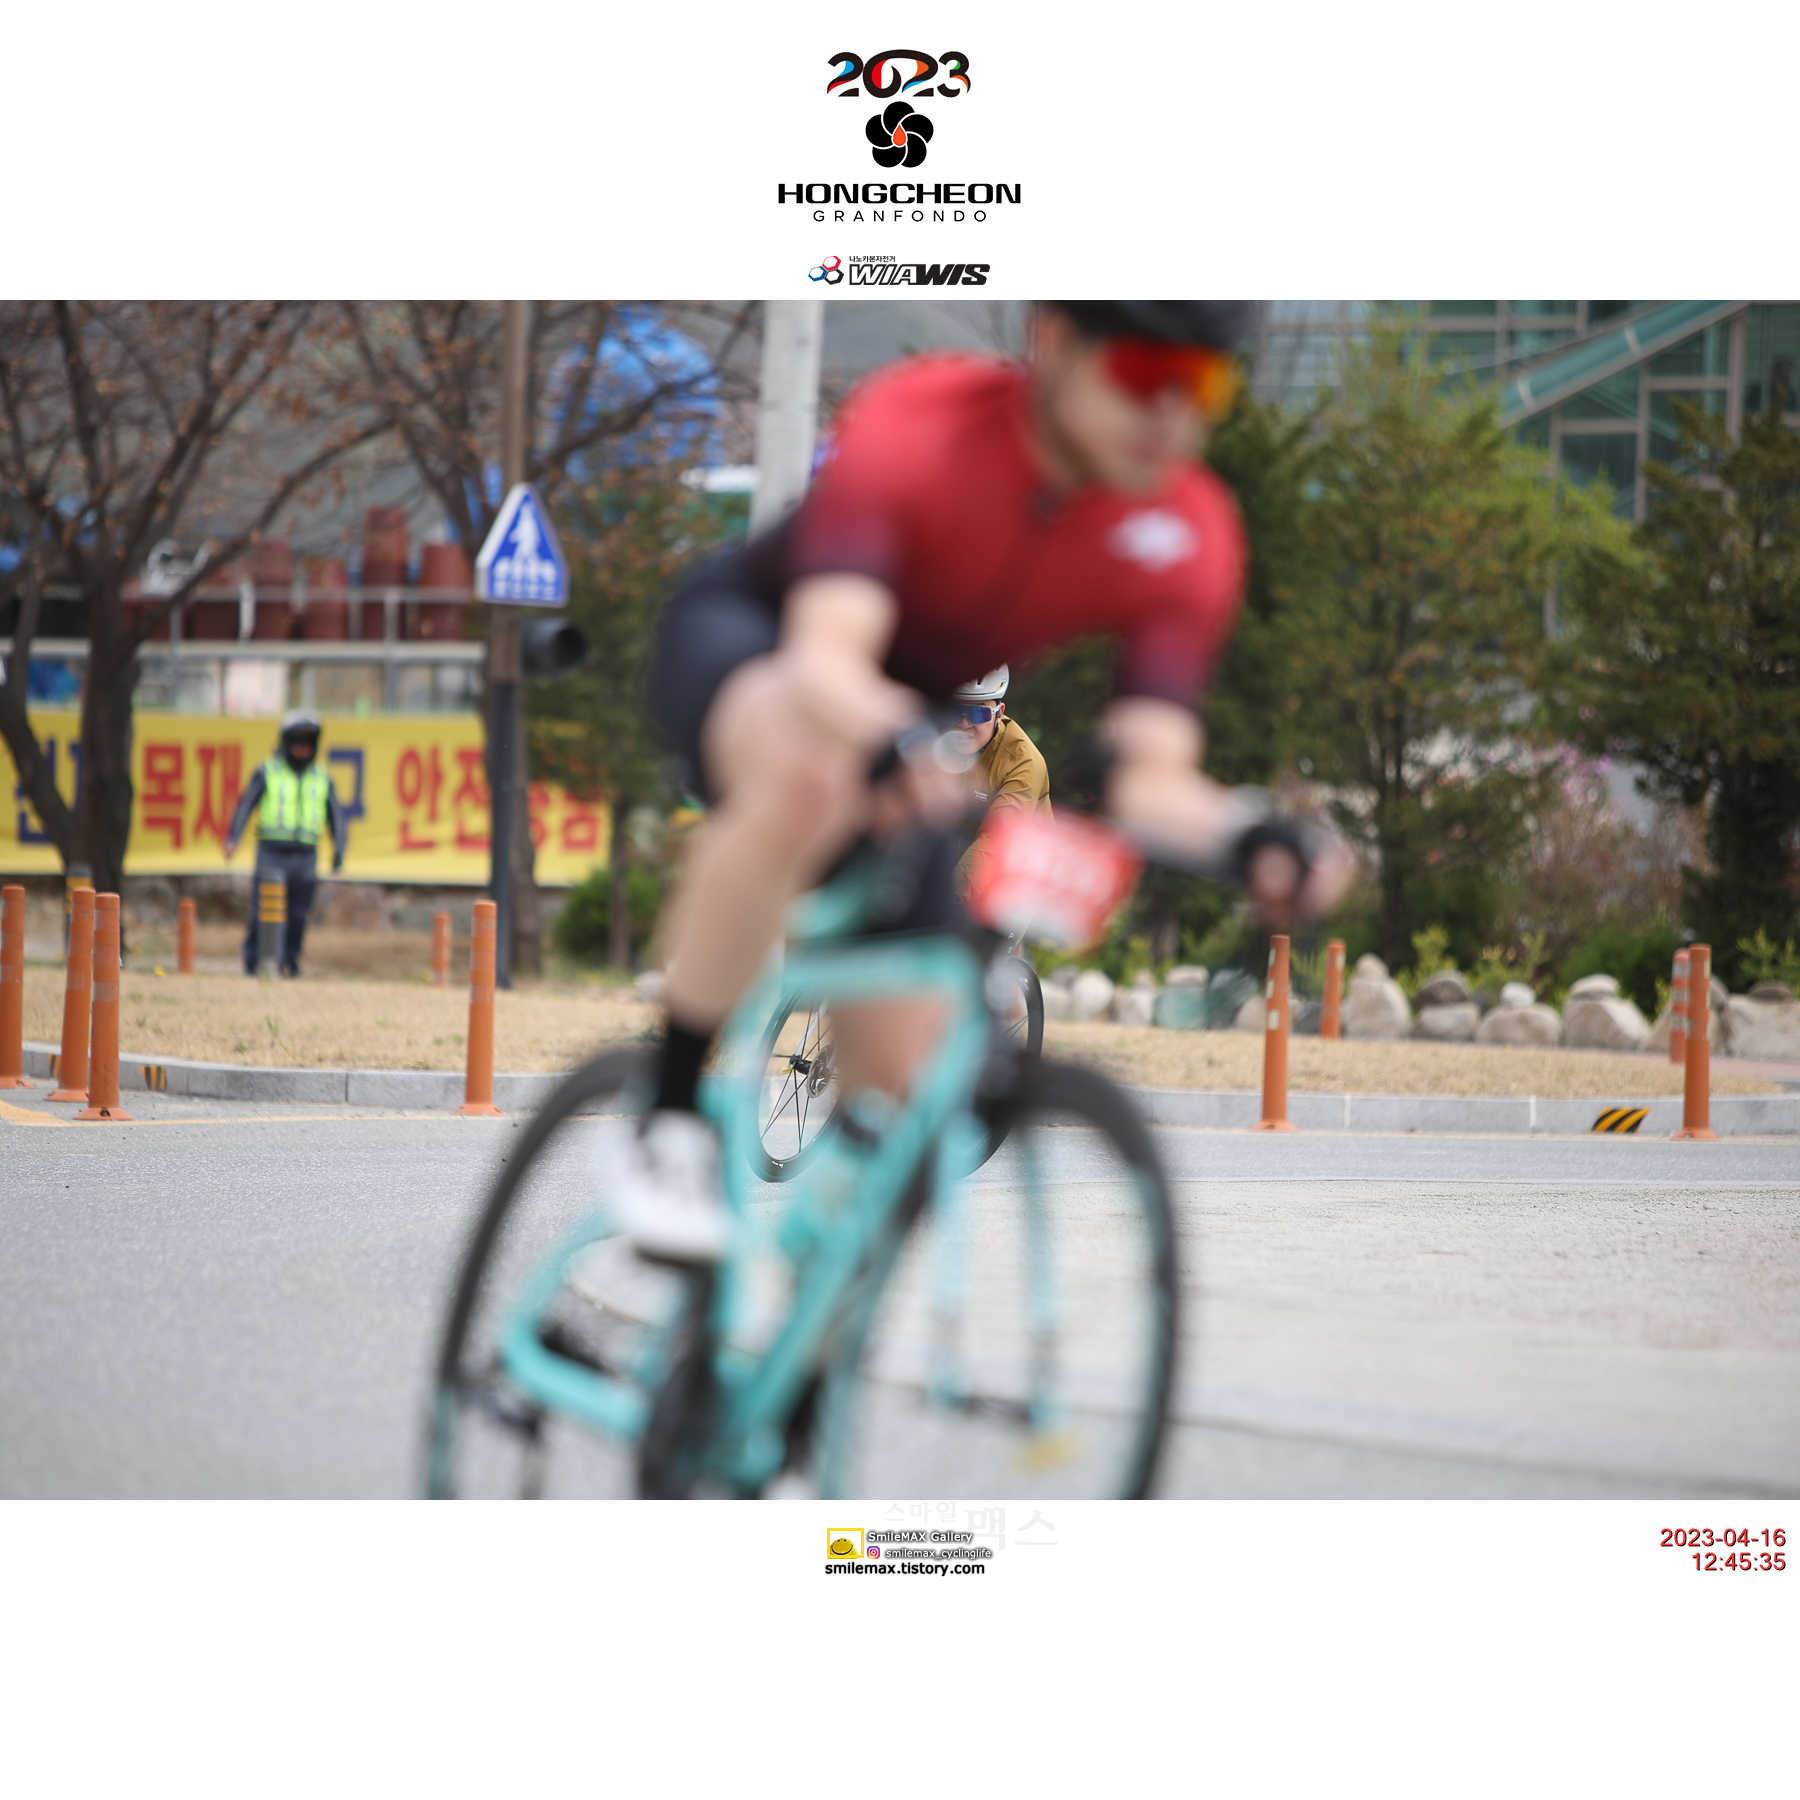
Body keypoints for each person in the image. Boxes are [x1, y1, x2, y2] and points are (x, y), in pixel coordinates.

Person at [613, 300, 1351, 1267]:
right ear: (1057, 344)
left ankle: (799, 1332)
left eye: (1201, 385)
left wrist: (1253, 834)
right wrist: (901, 741)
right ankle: (668, 1116)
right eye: (1144, 376)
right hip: (768, 643)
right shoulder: (923, 421)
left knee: (895, 1106)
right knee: (811, 779)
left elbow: (1151, 771)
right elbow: (828, 659)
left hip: (915, 722)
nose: (1170, 415)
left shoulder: (1187, 528)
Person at [222, 710, 349, 977]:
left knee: (299, 915)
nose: (303, 750)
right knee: (264, 911)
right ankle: (254, 962)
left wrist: (339, 848)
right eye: (298, 743)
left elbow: (335, 815)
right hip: (272, 852)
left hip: (306, 854)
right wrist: (233, 838)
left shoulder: (321, 777)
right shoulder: (268, 770)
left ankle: (290, 963)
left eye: (308, 744)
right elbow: (246, 804)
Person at [948, 665, 1049, 890]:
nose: (964, 724)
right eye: (955, 710)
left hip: (1016, 881)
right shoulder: (933, 736)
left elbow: (995, 842)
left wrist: (947, 897)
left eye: (978, 714)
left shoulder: (1023, 762)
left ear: (999, 713)